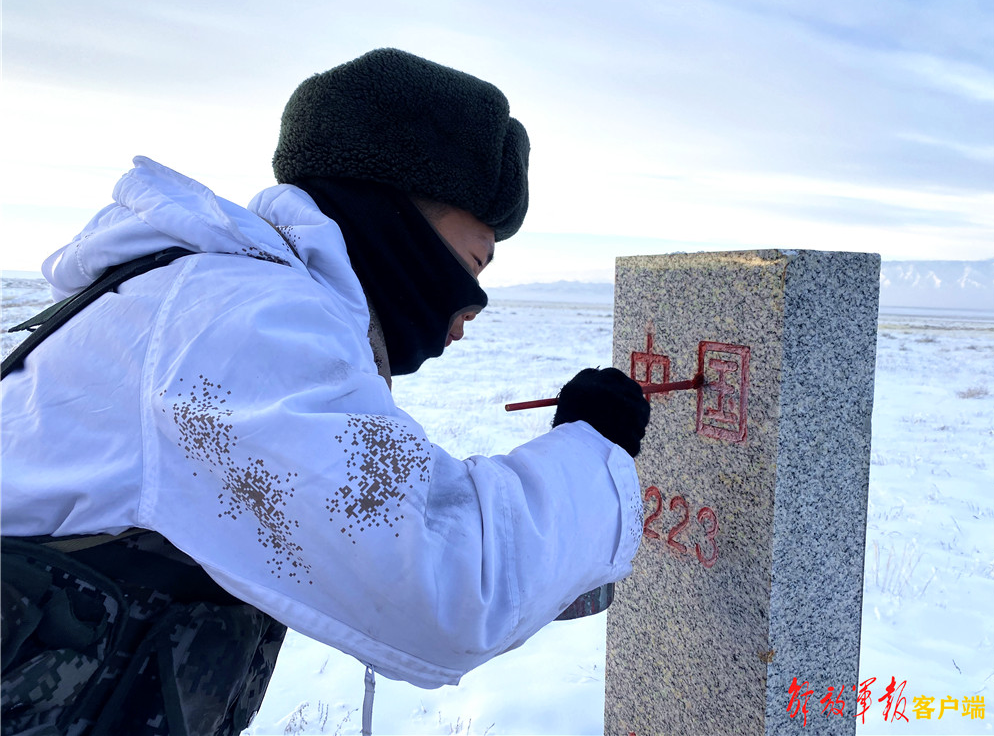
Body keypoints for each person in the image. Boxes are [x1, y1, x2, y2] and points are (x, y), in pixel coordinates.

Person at [1, 48, 649, 734]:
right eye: (472, 262)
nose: (469, 312)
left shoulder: (204, 295)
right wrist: (592, 447)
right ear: (394, 221)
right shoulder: (243, 325)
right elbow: (441, 581)